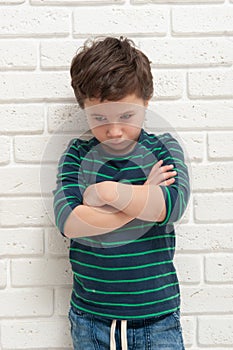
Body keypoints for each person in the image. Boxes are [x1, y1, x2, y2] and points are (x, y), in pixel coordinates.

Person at [53, 36, 190, 350]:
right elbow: (71, 223)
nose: (113, 131)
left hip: (158, 318)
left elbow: (168, 207)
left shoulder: (163, 148)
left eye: (126, 117)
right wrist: (143, 195)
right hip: (91, 319)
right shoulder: (76, 155)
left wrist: (105, 191)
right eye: (99, 119)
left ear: (146, 101)